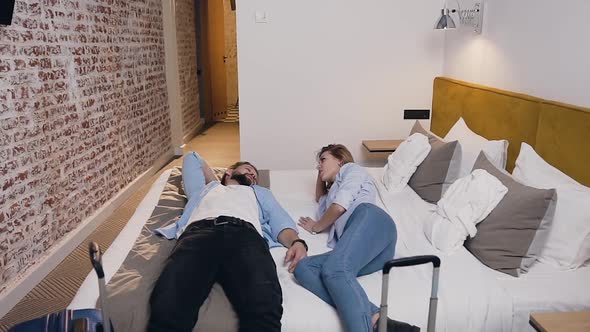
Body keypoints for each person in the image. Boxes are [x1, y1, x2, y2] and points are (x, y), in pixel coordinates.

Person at [148, 151, 308, 332]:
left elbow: (280, 222)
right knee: (168, 303)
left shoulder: (259, 193)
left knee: (265, 305)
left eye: (255, 175)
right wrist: (218, 180)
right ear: (230, 171)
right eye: (248, 169)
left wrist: (297, 242)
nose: (253, 175)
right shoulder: (205, 189)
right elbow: (192, 158)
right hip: (200, 234)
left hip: (246, 237)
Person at [294, 144, 410, 332]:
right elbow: (320, 198)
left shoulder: (351, 170)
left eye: (323, 159)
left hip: (374, 224)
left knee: (334, 270)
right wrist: (321, 172)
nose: (319, 165)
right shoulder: (332, 193)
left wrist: (316, 226)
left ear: (340, 160)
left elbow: (340, 206)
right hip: (364, 251)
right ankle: (377, 318)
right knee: (303, 268)